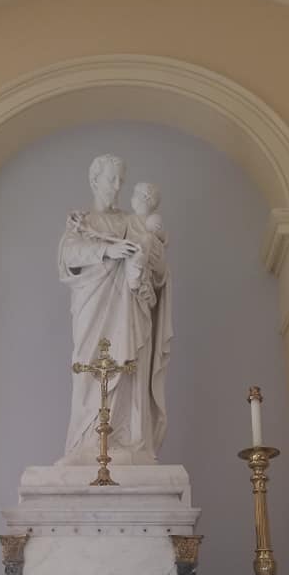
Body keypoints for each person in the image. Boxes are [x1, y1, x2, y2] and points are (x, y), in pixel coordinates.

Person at [58, 155, 173, 464]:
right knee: (89, 368)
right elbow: (69, 255)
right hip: (92, 305)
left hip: (129, 309)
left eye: (121, 180)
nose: (118, 186)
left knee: (129, 366)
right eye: (112, 179)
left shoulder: (131, 221)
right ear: (94, 180)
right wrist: (109, 250)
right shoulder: (82, 221)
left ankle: (128, 441)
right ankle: (85, 444)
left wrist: (149, 255)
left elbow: (159, 268)